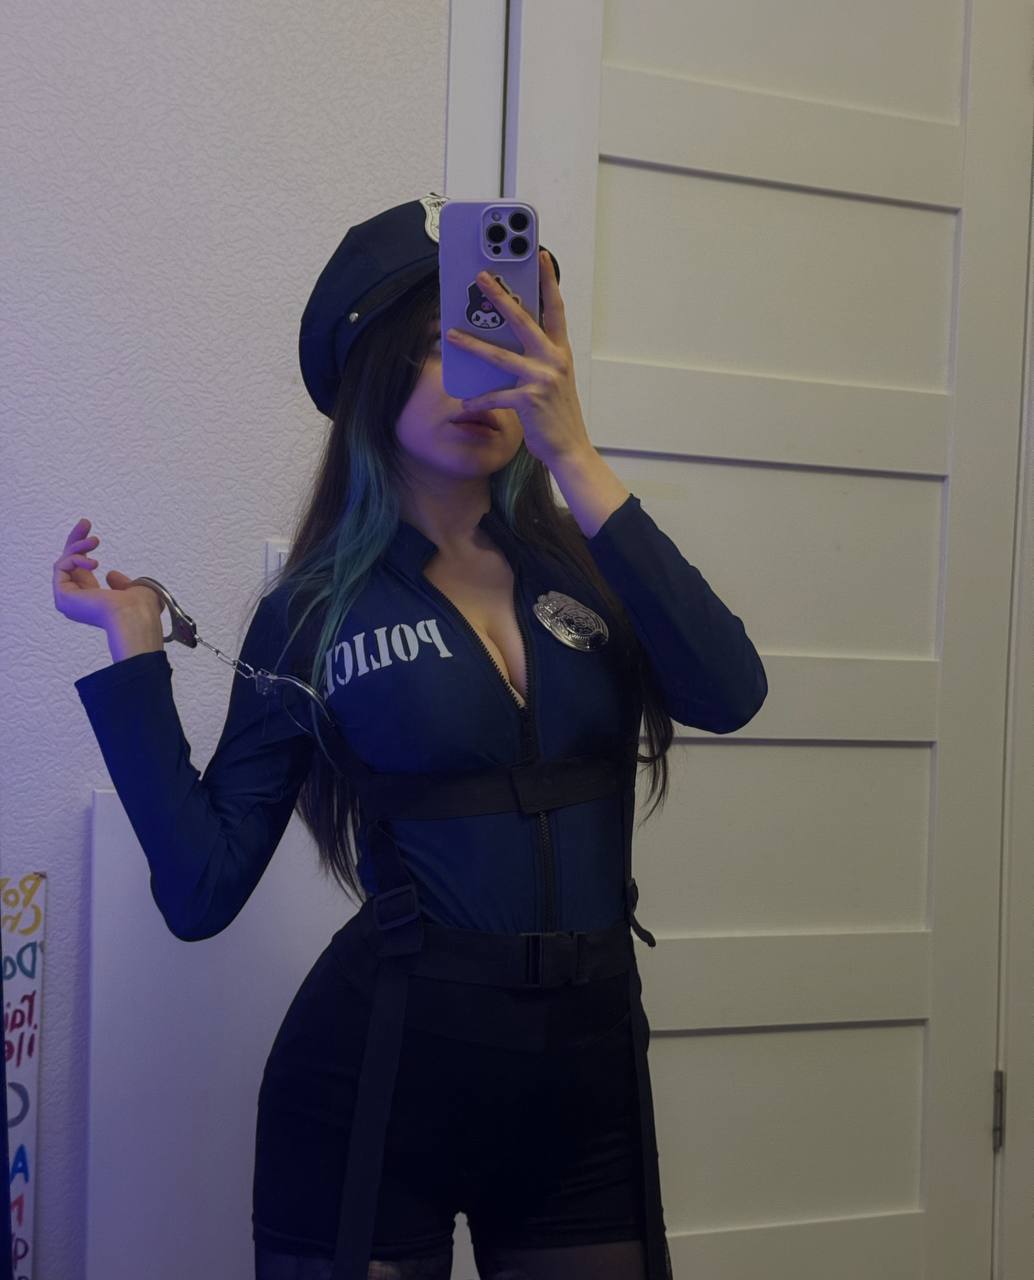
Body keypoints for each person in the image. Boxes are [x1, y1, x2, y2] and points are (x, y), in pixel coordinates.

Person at [54, 193, 768, 1280]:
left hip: (585, 1084)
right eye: (441, 344)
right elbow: (200, 888)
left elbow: (730, 690)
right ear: (369, 373)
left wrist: (573, 452)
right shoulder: (314, 609)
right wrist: (134, 650)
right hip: (375, 1082)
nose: (476, 377)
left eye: (502, 337)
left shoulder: (592, 564)